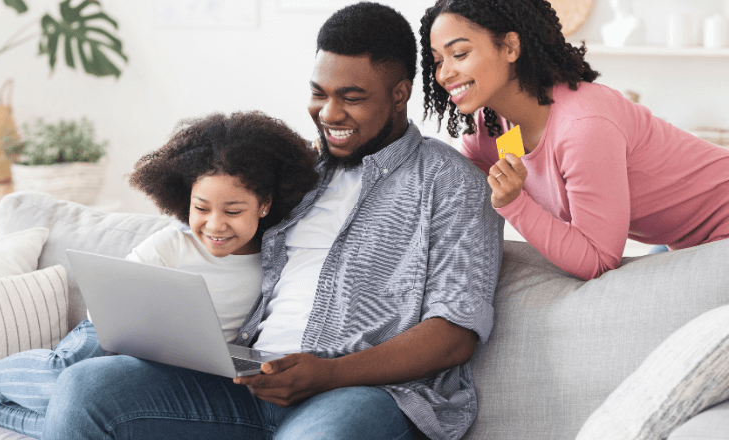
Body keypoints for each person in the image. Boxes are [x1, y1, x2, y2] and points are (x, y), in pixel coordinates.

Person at [38, 3, 503, 440]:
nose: (329, 114)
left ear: (400, 93)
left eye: (352, 98)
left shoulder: (452, 182)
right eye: (318, 94)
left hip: (363, 394)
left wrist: (328, 373)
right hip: (249, 380)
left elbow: (454, 336)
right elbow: (217, 225)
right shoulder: (296, 172)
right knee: (86, 390)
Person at [0, 111, 319, 439]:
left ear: (264, 205)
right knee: (63, 374)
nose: (214, 225)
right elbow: (117, 292)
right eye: (201, 208)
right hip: (111, 331)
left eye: (233, 211)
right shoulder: (173, 242)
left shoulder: (272, 262)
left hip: (178, 366)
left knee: (83, 411)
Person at [421, 0, 729, 280]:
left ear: (511, 47)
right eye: (437, 61)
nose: (444, 73)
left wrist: (514, 203)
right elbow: (458, 208)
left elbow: (597, 260)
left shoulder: (583, 127)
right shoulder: (491, 131)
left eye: (459, 54)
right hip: (678, 243)